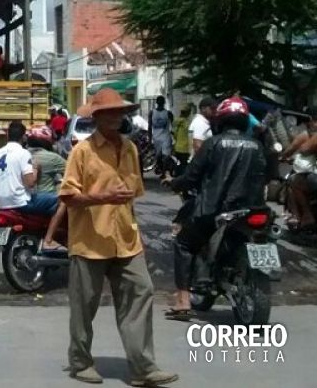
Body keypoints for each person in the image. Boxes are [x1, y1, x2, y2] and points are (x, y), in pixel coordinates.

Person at [58, 87, 177, 387]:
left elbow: (131, 198)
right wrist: (102, 198)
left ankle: (143, 368)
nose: (115, 117)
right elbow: (68, 196)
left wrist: (138, 235)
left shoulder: (130, 149)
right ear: (96, 117)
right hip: (89, 242)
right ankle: (80, 361)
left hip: (126, 240)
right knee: (84, 306)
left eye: (119, 112)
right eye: (109, 112)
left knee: (142, 292)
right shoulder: (82, 152)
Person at [166, 97, 267, 318]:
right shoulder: (257, 146)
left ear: (220, 121)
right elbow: (269, 175)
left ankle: (183, 301)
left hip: (215, 210)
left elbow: (192, 176)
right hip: (253, 210)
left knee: (183, 243)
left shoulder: (214, 143)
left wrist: (175, 183)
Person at [0, 121, 59, 216]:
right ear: (23, 137)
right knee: (61, 199)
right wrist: (35, 169)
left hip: (1, 203)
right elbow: (30, 183)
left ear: (7, 135)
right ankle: (50, 231)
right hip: (21, 203)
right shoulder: (23, 153)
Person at [280, 107, 317, 230]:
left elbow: (303, 149)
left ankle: (306, 216)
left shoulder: (308, 135)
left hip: (312, 176)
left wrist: (284, 156)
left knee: (294, 182)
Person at [149, 96, 174, 177]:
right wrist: (150, 139)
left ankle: (165, 173)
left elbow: (173, 125)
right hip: (156, 138)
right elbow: (149, 126)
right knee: (158, 157)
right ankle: (162, 168)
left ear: (163, 103)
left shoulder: (168, 113)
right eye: (159, 102)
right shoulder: (152, 113)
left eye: (161, 102)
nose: (160, 103)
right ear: (157, 103)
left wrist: (174, 135)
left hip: (166, 137)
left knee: (166, 156)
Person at [171, 106, 192, 175]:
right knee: (184, 164)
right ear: (188, 113)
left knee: (179, 163)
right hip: (185, 148)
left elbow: (174, 134)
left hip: (178, 147)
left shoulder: (176, 122)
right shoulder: (187, 123)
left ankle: (177, 176)